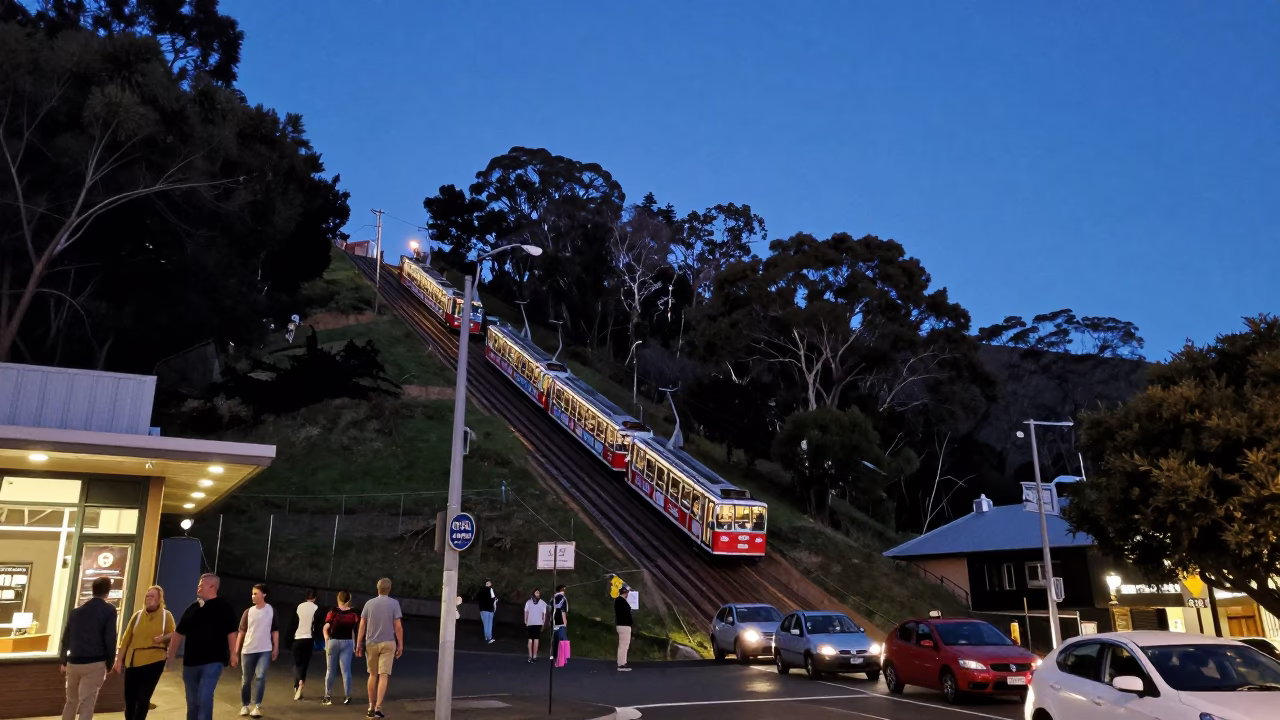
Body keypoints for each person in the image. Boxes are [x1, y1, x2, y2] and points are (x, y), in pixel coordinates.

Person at [169, 573, 239, 720]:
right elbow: (178, 633)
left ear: (212, 586)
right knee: (192, 702)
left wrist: (234, 653)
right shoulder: (192, 608)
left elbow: (232, 632)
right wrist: (171, 655)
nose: (198, 587)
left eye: (201, 584)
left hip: (213, 661)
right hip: (190, 663)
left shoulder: (224, 608)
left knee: (204, 697)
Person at [60, 576, 118, 720]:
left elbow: (66, 638)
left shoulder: (76, 611)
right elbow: (110, 638)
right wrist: (110, 663)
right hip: (94, 662)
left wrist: (64, 661)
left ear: (92, 590)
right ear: (107, 592)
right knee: (87, 704)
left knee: (71, 702)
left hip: (73, 662)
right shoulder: (109, 610)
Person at [114, 585, 175, 720]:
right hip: (133, 662)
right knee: (130, 698)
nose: (149, 597)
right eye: (147, 595)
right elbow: (125, 640)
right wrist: (119, 661)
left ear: (160, 599)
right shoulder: (137, 616)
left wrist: (162, 638)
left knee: (143, 698)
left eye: (152, 595)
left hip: (154, 662)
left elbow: (173, 635)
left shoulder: (166, 616)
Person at [356, 578, 403, 719]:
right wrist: (400, 644)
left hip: (371, 643)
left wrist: (358, 643)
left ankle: (370, 706)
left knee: (372, 675)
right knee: (384, 675)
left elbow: (362, 624)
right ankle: (378, 707)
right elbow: (398, 626)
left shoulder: (369, 604)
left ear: (378, 588)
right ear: (389, 589)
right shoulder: (394, 604)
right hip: (388, 643)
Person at [234, 583, 279, 718]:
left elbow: (275, 631)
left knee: (260, 677)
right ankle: (245, 705)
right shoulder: (248, 612)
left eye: (255, 593)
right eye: (252, 593)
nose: (253, 596)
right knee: (246, 679)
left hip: (264, 650)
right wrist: (236, 651)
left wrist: (276, 647)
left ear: (263, 595)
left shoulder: (271, 611)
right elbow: (241, 632)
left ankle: (257, 706)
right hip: (248, 650)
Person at [321, 591, 360, 706]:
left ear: (338, 599)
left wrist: (326, 638)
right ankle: (347, 696)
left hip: (333, 641)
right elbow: (353, 630)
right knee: (346, 671)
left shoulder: (333, 612)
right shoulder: (354, 614)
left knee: (330, 670)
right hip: (347, 642)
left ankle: (327, 696)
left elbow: (325, 627)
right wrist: (354, 644)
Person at [290, 588, 319, 701]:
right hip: (309, 639)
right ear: (315, 598)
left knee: (297, 664)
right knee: (304, 664)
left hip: (297, 638)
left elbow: (293, 624)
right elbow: (316, 626)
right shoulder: (316, 608)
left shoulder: (299, 607)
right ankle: (301, 683)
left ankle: (296, 685)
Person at [522, 588, 547, 663]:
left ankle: (535, 656)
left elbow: (544, 614)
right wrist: (525, 620)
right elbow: (526, 611)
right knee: (530, 640)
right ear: (533, 593)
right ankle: (530, 656)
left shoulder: (542, 603)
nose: (537, 594)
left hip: (538, 623)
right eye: (536, 593)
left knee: (536, 639)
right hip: (530, 622)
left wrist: (543, 623)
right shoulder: (529, 602)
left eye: (538, 593)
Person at [615, 585, 633, 672]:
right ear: (625, 592)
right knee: (624, 645)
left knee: (623, 645)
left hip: (622, 625)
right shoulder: (621, 601)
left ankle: (622, 662)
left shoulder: (619, 601)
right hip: (624, 626)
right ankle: (621, 664)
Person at [475, 579, 497, 644]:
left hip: (486, 609)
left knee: (488, 624)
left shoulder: (483, 591)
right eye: (488, 583)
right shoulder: (489, 590)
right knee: (488, 624)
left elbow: (493, 599)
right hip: (488, 609)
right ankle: (488, 638)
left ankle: (488, 637)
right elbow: (493, 599)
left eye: (490, 583)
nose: (489, 584)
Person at [550, 585, 568, 662]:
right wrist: (565, 622)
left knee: (555, 641)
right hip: (560, 622)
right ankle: (562, 658)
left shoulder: (552, 599)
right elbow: (562, 610)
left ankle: (555, 657)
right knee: (563, 640)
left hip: (553, 622)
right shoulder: (563, 598)